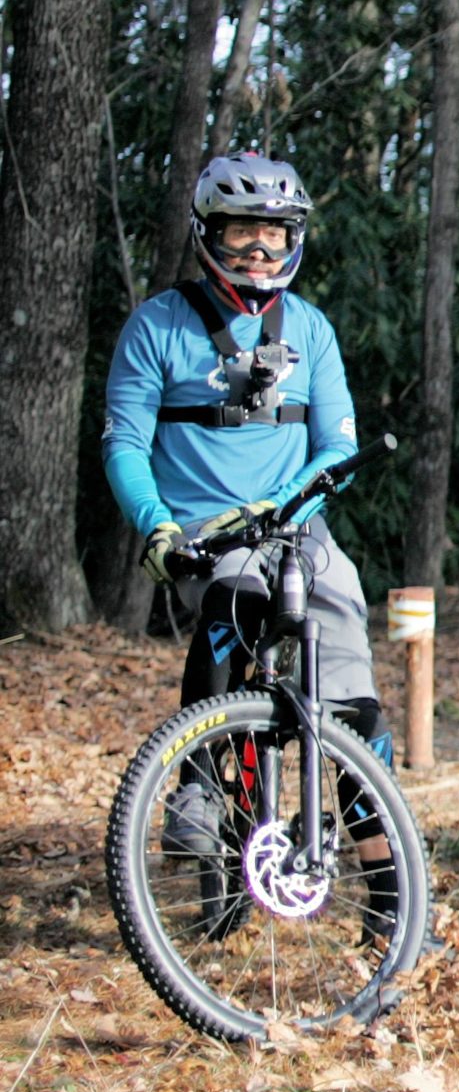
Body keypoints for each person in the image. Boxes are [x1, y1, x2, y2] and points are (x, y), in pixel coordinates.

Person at [103, 154, 384, 856]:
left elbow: (337, 446)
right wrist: (157, 525)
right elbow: (125, 442)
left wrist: (279, 506)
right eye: (240, 235)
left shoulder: (311, 329)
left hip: (297, 527)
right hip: (202, 531)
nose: (260, 251)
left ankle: (391, 892)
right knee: (234, 594)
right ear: (207, 233)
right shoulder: (155, 326)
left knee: (354, 697)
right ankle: (197, 782)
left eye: (276, 235)